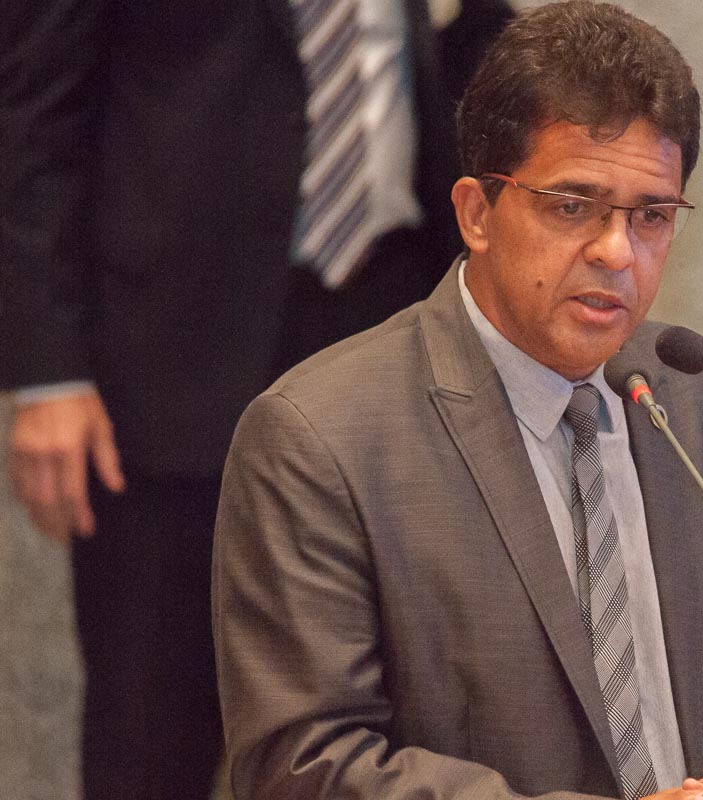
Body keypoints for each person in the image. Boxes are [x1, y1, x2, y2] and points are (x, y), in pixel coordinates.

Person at [213, 2, 703, 798]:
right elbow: (304, 763)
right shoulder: (321, 440)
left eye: (652, 216)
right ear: (476, 213)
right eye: (572, 206)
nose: (616, 251)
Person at [0, 1, 511, 797]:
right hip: (172, 355)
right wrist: (48, 375)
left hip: (391, 316)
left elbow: (489, 90)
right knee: (151, 731)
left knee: (391, 730)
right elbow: (31, 121)